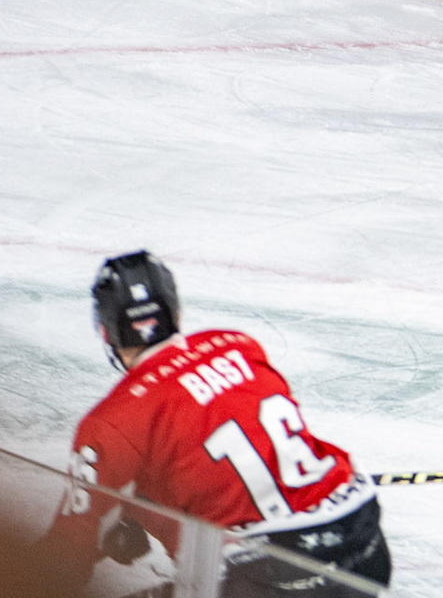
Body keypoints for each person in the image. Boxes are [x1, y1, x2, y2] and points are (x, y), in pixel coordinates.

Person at [45, 252, 390, 595]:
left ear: (106, 333)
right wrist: (133, 516)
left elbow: (65, 558)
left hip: (271, 575)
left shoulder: (112, 421)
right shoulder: (239, 344)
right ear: (175, 311)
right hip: (363, 543)